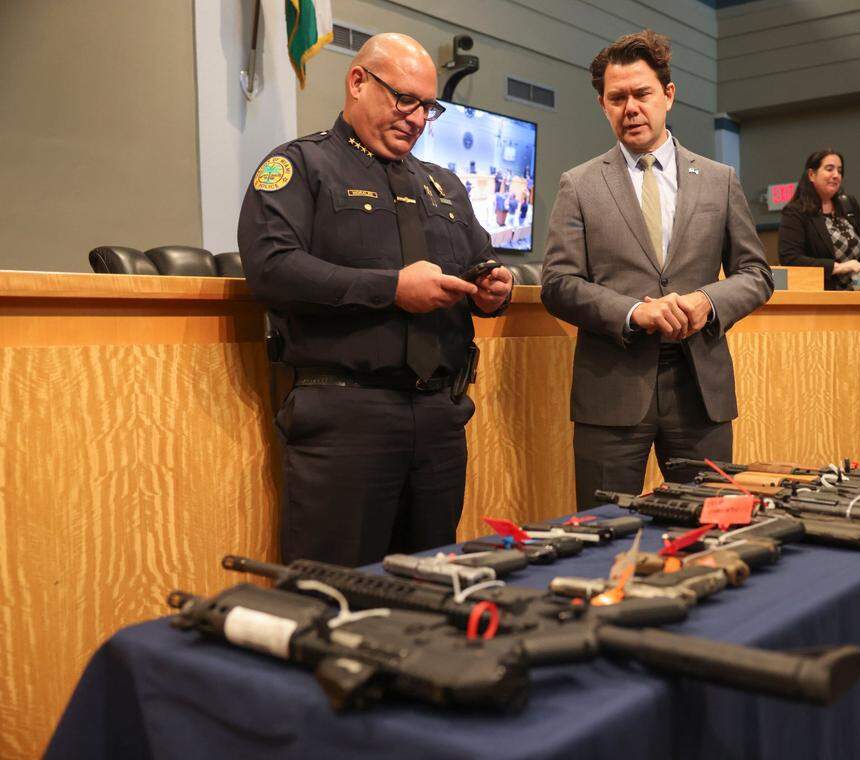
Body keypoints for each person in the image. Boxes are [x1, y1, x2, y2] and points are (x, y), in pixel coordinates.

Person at [238, 33, 512, 567]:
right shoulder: (302, 167)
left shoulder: (445, 186)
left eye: (427, 107)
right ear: (358, 82)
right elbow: (272, 270)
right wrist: (390, 289)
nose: (415, 117)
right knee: (333, 591)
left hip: (438, 416)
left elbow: (481, 264)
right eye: (403, 98)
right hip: (348, 416)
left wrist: (492, 292)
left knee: (431, 589)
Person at [541, 29, 773, 509]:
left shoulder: (718, 180)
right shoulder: (578, 185)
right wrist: (633, 313)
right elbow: (559, 285)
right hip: (611, 391)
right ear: (603, 105)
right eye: (616, 97)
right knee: (604, 531)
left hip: (700, 391)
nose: (631, 108)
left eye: (642, 94)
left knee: (709, 529)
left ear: (667, 94)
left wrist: (707, 301)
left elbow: (755, 273)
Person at [778, 149, 860, 291]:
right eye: (829, 169)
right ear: (812, 175)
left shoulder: (849, 204)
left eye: (839, 170)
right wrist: (837, 267)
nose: (836, 175)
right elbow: (790, 259)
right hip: (823, 298)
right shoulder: (795, 212)